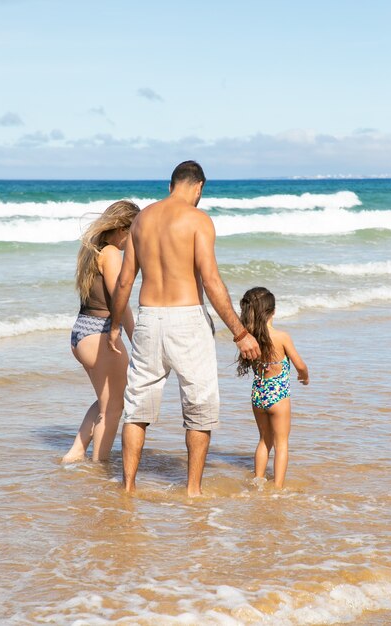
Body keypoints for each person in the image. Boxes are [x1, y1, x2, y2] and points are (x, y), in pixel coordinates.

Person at [108, 160, 260, 496]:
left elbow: (123, 282)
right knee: (199, 407)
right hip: (187, 320)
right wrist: (240, 332)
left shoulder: (141, 221)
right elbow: (211, 280)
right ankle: (192, 490)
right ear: (199, 186)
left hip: (147, 317)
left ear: (171, 184)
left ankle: (129, 488)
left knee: (136, 409)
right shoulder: (198, 220)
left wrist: (115, 325)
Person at [62, 200, 140, 463]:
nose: (134, 241)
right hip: (99, 332)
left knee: (106, 400)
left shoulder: (90, 249)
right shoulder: (110, 253)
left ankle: (75, 452)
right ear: (122, 229)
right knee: (115, 407)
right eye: (134, 233)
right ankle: (100, 467)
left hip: (81, 332)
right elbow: (121, 301)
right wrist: (136, 340)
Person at [237, 287, 309, 489]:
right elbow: (300, 364)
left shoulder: (249, 339)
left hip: (258, 395)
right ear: (273, 311)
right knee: (281, 444)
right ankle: (277, 488)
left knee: (263, 441)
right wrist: (304, 376)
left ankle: (258, 481)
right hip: (279, 397)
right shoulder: (281, 337)